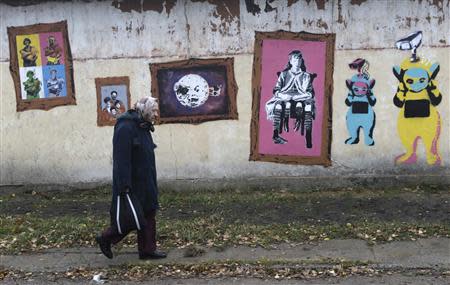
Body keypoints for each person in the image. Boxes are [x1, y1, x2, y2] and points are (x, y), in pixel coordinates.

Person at [96, 96, 166, 260]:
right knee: (132, 218)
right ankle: (106, 238)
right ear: (145, 110)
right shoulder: (126, 127)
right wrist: (124, 185)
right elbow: (121, 159)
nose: (156, 114)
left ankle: (147, 250)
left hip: (146, 180)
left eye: (156, 111)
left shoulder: (144, 126)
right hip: (132, 183)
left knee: (149, 214)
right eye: (153, 111)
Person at [265, 50, 316, 148]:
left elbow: (310, 93)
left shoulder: (306, 76)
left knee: (308, 107)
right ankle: (275, 136)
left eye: (299, 59)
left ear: (301, 61)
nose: (298, 61)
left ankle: (308, 139)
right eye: (295, 59)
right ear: (291, 61)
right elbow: (276, 90)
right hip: (285, 99)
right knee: (278, 106)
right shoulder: (284, 74)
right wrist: (284, 96)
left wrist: (299, 96)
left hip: (301, 99)